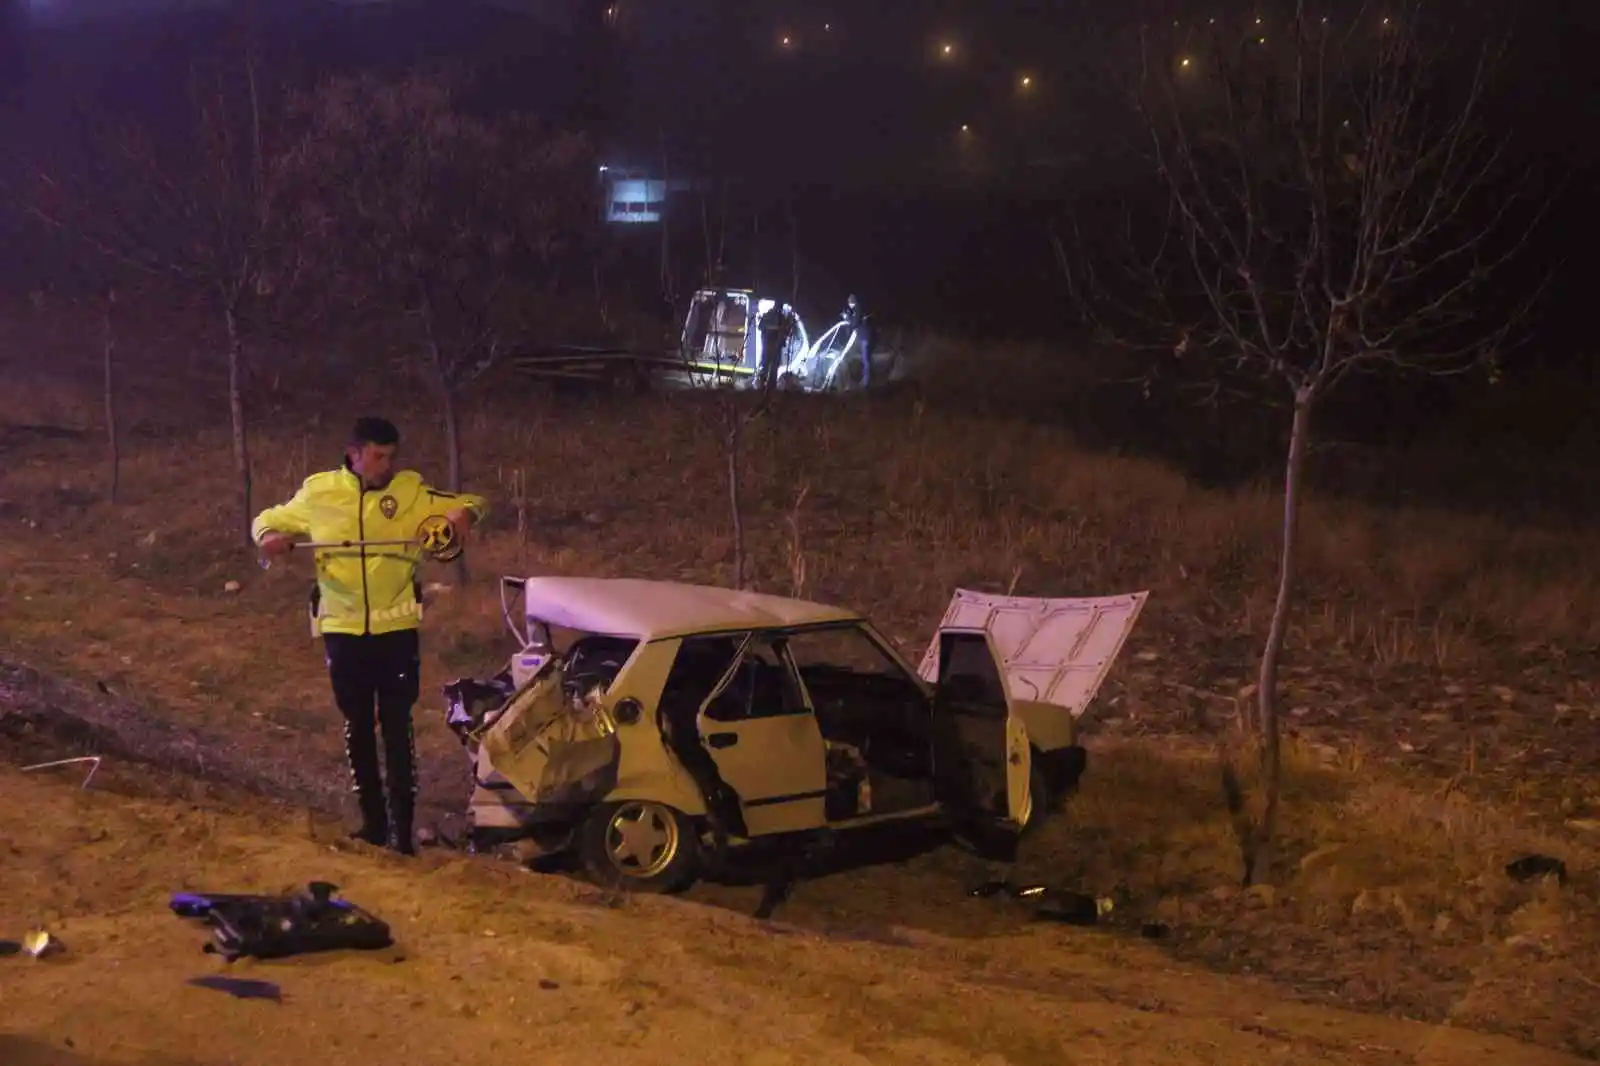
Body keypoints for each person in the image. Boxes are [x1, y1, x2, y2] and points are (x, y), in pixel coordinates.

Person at [252, 417, 489, 855]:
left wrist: (463, 515)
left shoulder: (410, 492)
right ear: (355, 453)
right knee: (357, 725)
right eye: (378, 456)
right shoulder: (320, 492)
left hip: (396, 632)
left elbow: (473, 501)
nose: (386, 465)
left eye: (391, 456)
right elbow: (268, 519)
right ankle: (372, 825)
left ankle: (402, 835)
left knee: (398, 727)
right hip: (343, 632)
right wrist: (269, 536)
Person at [757, 300, 795, 392]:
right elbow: (761, 327)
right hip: (771, 345)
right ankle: (765, 385)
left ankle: (766, 385)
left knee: (769, 365)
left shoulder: (778, 317)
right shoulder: (773, 316)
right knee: (769, 365)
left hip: (773, 345)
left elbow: (788, 331)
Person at [841, 294, 874, 388]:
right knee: (863, 358)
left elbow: (854, 323)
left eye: (849, 303)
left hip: (864, 337)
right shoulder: (857, 309)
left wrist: (846, 317)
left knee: (865, 359)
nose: (849, 305)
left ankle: (866, 382)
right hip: (862, 337)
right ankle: (863, 379)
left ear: (851, 302)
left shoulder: (857, 309)